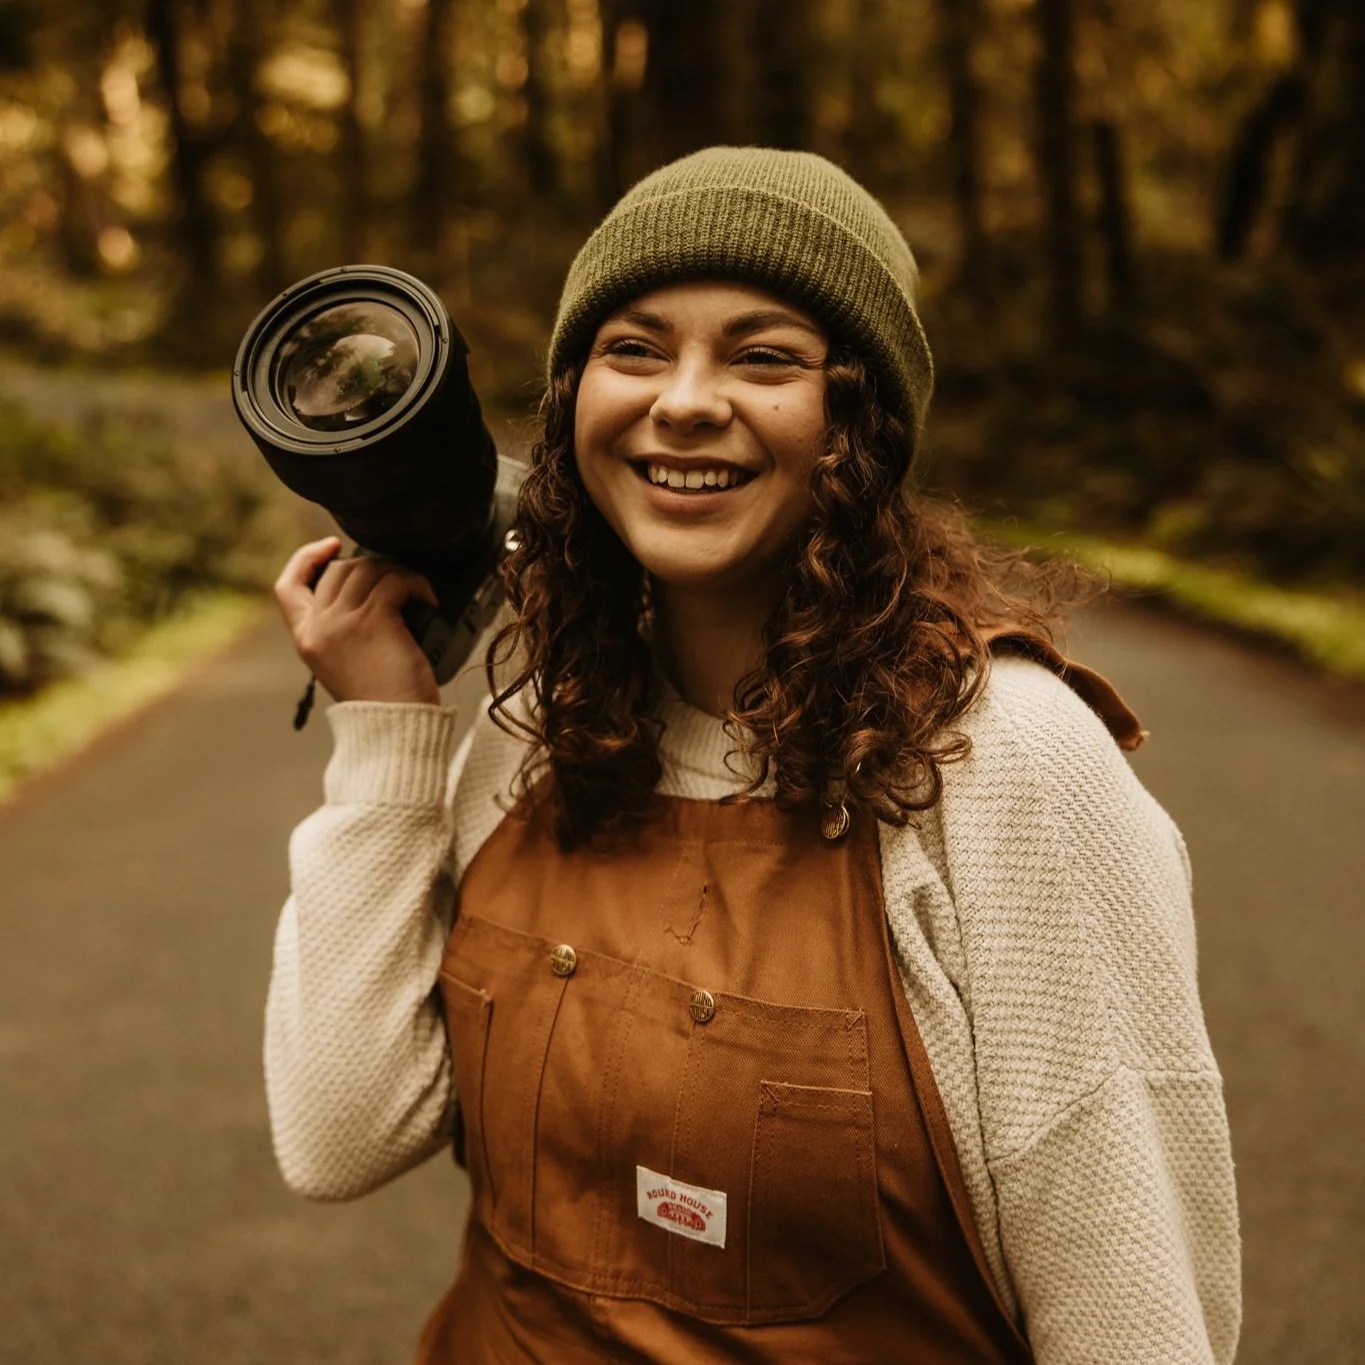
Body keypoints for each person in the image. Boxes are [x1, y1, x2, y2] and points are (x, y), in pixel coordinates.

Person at [266, 147, 1241, 1363]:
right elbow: (341, 1136)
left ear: (860, 420)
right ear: (573, 408)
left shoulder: (1010, 766)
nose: (682, 399)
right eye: (633, 349)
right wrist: (384, 738)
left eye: (762, 356)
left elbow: (1134, 1318)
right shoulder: (545, 725)